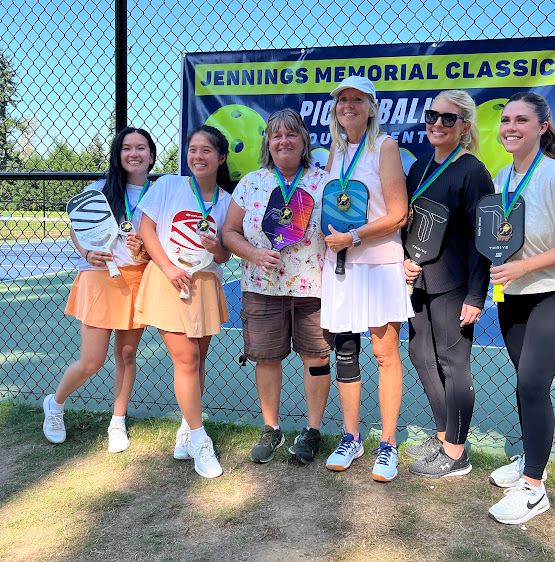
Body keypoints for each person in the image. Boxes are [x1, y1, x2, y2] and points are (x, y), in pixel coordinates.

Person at [486, 92, 555, 524]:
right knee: (525, 384)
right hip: (514, 294)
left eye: (521, 120)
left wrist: (524, 265)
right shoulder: (502, 176)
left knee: (531, 384)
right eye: (506, 119)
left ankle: (534, 489)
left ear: (542, 127)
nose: (510, 126)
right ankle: (534, 459)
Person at [222, 108, 333, 464]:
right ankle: (272, 428)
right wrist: (254, 253)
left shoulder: (324, 181)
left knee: (316, 357)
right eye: (276, 136)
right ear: (267, 143)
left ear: (304, 142)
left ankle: (312, 429)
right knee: (266, 358)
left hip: (313, 287)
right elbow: (229, 233)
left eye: (291, 135)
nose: (283, 141)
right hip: (262, 286)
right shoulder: (252, 182)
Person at [42, 127, 156, 453]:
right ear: (118, 155)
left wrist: (143, 249)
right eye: (127, 148)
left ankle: (117, 422)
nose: (134, 153)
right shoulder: (100, 190)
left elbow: (158, 243)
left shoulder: (159, 193)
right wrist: (88, 253)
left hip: (136, 279)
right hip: (99, 278)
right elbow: (78, 229)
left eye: (141, 148)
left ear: (151, 154)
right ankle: (55, 404)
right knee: (92, 360)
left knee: (127, 355)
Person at [320, 76, 411, 482]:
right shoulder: (333, 153)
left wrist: (353, 237)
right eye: (342, 100)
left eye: (357, 99)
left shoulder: (385, 147)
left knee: (384, 352)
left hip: (377, 264)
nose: (348, 105)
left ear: (372, 107)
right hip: (341, 266)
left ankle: (388, 444)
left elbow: (398, 214)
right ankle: (351, 437)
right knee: (345, 351)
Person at [403, 91, 494, 478]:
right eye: (432, 115)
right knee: (421, 356)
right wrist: (403, 263)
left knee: (452, 363)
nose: (437, 123)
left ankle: (457, 455)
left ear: (465, 127)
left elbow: (485, 240)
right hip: (418, 282)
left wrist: (476, 295)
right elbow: (408, 222)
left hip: (454, 286)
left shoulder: (473, 171)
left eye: (448, 119)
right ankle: (445, 436)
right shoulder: (419, 166)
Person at [134, 125, 233, 479]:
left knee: (199, 360)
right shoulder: (169, 186)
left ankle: (186, 426)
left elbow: (223, 256)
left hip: (205, 285)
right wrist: (168, 267)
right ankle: (200, 439)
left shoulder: (225, 201)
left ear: (220, 158)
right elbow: (146, 229)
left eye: (206, 150)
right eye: (193, 149)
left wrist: (216, 248)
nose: (198, 156)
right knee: (187, 359)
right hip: (168, 282)